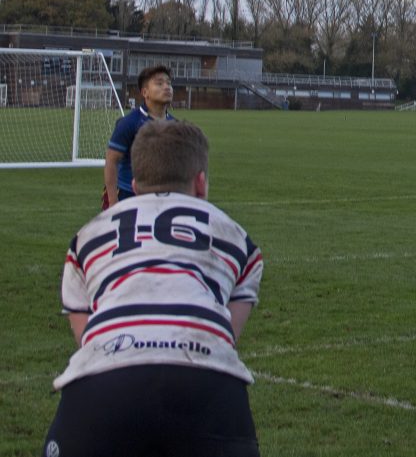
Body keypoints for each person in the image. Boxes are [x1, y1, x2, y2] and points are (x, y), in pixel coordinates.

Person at [43, 121, 264, 457]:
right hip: (209, 388)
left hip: (101, 390)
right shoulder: (237, 238)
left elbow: (85, 333)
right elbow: (225, 335)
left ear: (134, 184)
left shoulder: (87, 237)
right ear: (200, 183)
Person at [103, 64, 175, 207]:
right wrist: (112, 202)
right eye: (159, 83)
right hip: (127, 195)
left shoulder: (175, 125)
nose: (166, 87)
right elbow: (111, 162)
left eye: (169, 83)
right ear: (145, 92)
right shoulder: (129, 123)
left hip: (162, 197)